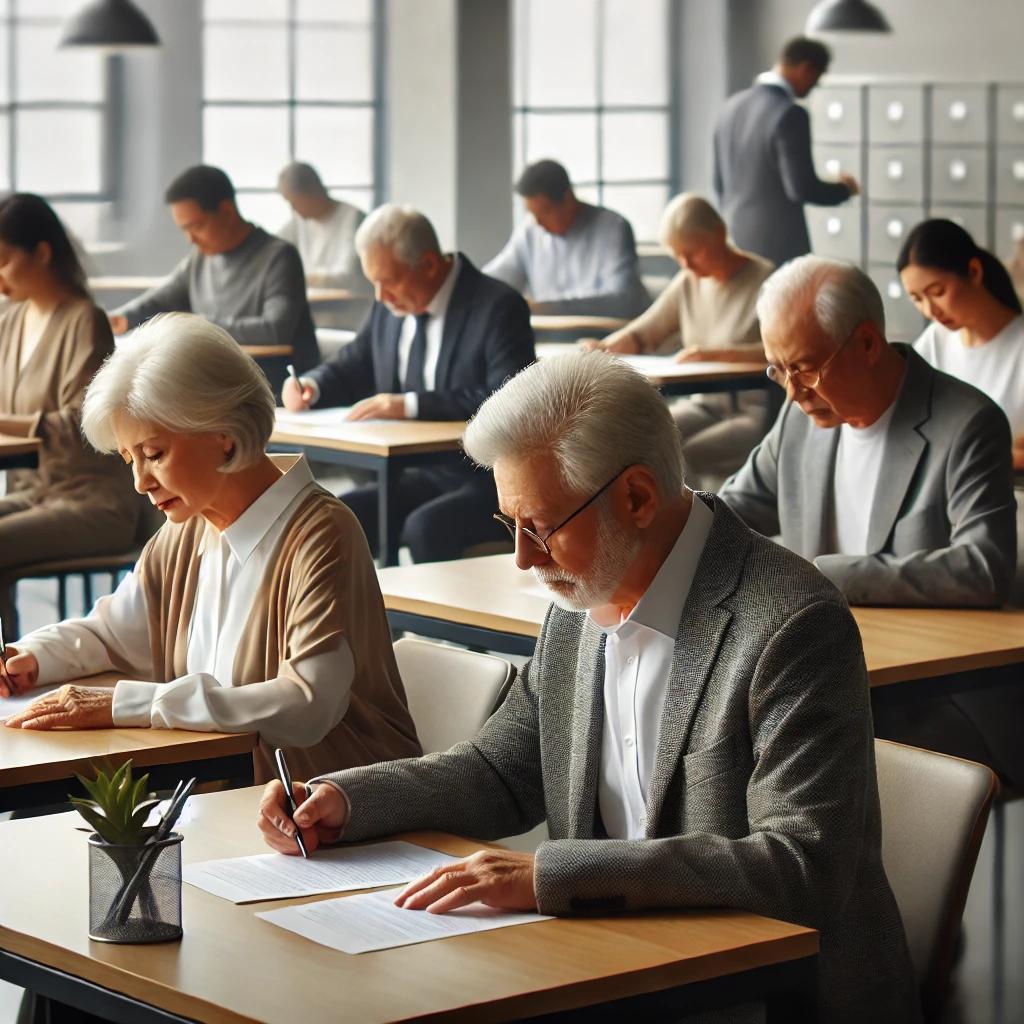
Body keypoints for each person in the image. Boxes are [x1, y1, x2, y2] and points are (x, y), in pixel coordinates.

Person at [259, 351, 920, 1024]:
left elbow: (801, 865)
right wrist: (347, 799)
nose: (521, 556)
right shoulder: (578, 604)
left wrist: (550, 875)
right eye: (508, 524)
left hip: (769, 996)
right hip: (619, 967)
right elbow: (503, 769)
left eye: (539, 527)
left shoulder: (791, 624)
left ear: (636, 497)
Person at [1, 313, 421, 784]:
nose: (140, 482)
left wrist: (132, 704)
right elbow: (112, 634)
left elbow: (306, 705)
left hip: (335, 818)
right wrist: (29, 657)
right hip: (225, 800)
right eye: (129, 459)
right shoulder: (185, 529)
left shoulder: (322, 534)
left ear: (222, 433)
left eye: (154, 454)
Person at [718, 255, 1016, 608]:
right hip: (814, 646)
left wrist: (824, 577)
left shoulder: (967, 424)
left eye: (805, 369)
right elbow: (730, 514)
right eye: (779, 370)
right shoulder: (797, 419)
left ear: (868, 343)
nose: (793, 393)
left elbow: (984, 569)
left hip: (921, 652)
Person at [284, 203, 535, 562]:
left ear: (430, 265)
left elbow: (507, 399)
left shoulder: (497, 306)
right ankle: (359, 617)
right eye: (374, 283)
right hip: (416, 473)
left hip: (483, 479)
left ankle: (430, 619)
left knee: (426, 526)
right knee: (335, 515)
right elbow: (355, 361)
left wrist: (408, 405)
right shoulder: (391, 305)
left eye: (388, 282)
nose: (380, 297)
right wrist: (312, 386)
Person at [0, 193, 142, 635]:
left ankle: (9, 673)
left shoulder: (85, 320)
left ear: (42, 253)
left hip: (93, 501)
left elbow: (84, 423)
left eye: (3, 260)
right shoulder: (10, 321)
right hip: (35, 491)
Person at [582, 194, 774, 484]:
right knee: (640, 442)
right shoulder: (688, 281)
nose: (686, 264)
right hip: (703, 404)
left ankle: (708, 529)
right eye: (678, 256)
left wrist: (714, 354)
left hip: (753, 412)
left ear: (719, 235)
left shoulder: (765, 280)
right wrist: (604, 347)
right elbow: (645, 331)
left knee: (679, 456)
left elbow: (779, 351)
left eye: (693, 252)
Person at [109, 165, 320, 378]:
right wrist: (123, 317)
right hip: (218, 378)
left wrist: (197, 325)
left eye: (196, 226)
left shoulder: (279, 256)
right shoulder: (200, 259)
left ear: (227, 212)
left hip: (276, 384)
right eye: (184, 229)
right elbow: (160, 299)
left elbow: (275, 330)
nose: (190, 239)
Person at [712, 36, 859, 268]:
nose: (815, 86)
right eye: (817, 78)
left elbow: (719, 184)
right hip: (778, 246)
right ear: (806, 69)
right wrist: (844, 188)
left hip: (735, 240)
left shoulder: (730, 107)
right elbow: (801, 188)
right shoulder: (790, 113)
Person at [897, 219, 1024, 470]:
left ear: (974, 272)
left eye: (937, 292)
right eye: (917, 299)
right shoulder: (933, 342)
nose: (930, 310)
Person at [483, 159, 650, 318]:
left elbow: (621, 301)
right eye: (532, 214)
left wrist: (544, 308)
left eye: (544, 212)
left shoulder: (613, 227)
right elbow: (494, 280)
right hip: (547, 336)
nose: (538, 222)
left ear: (568, 199)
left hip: (602, 335)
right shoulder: (530, 231)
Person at [277, 162, 368, 292]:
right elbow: (275, 249)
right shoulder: (298, 223)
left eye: (294, 201)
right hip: (310, 305)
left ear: (311, 192)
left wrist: (300, 278)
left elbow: (348, 276)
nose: (293, 208)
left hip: (350, 307)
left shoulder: (354, 219)